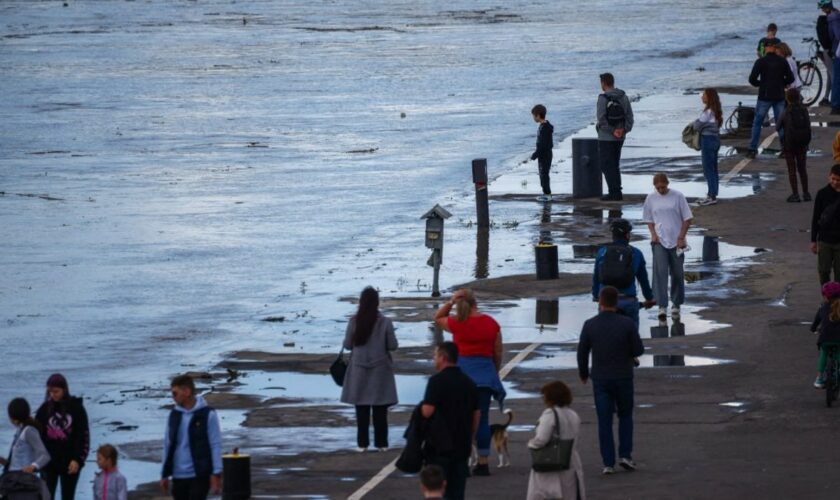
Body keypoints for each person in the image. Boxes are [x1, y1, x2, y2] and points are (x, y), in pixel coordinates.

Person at [434, 289, 504, 477]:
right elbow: (497, 352)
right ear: (476, 303)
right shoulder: (491, 323)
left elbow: (438, 317)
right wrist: (494, 371)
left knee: (459, 420)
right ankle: (483, 462)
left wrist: (450, 302)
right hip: (484, 377)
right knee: (483, 419)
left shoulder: (457, 322)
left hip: (461, 377)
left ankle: (462, 462)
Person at [577, 286, 644, 475]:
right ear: (616, 303)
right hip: (623, 376)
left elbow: (582, 352)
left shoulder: (590, 325)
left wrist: (583, 373)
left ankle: (608, 463)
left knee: (604, 421)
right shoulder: (627, 323)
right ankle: (625, 455)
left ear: (600, 302)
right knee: (625, 416)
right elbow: (638, 350)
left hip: (600, 378)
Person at [340, 286, 398, 452]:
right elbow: (393, 346)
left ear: (361, 302)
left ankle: (362, 444)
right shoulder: (385, 322)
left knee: (361, 409)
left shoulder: (354, 321)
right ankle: (382, 444)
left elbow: (347, 345)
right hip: (380, 370)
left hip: (358, 369)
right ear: (377, 303)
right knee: (380, 410)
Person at [421, 342, 480, 500]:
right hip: (461, 445)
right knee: (457, 490)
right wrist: (470, 434)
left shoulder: (436, 381)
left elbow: (428, 411)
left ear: (443, 357)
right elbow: (476, 414)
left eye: (435, 355)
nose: (434, 359)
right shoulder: (469, 382)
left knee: (438, 489)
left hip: (439, 446)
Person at [160, 374, 222, 500]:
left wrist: (216, 473)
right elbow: (167, 444)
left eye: (175, 393)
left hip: (199, 474)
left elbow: (215, 444)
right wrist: (164, 474)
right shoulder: (174, 415)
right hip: (178, 475)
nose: (173, 398)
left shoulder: (207, 414)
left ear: (187, 392)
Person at [642, 173, 693, 318]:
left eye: (663, 187)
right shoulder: (651, 198)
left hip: (677, 241)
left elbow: (687, 219)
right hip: (659, 240)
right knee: (660, 272)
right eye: (658, 188)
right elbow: (649, 219)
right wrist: (653, 234)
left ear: (667, 184)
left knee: (677, 273)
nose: (661, 190)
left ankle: (676, 304)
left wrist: (681, 237)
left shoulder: (678, 196)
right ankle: (661, 305)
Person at [526, 381, 586, 500]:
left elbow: (542, 439)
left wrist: (531, 444)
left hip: (550, 462)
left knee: (546, 493)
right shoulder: (573, 414)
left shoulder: (550, 414)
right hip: (570, 461)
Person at [35, 373, 90, 500]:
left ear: (64, 389)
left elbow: (83, 436)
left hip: (70, 462)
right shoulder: (44, 409)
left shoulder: (77, 408)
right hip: (48, 463)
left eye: (56, 391)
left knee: (68, 497)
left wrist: (78, 459)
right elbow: (36, 436)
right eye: (50, 392)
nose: (53, 395)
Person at [592, 218, 655, 327]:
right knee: (631, 338)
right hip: (628, 301)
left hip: (606, 303)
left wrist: (596, 295)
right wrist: (649, 298)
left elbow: (596, 278)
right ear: (627, 235)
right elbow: (643, 280)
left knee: (605, 337)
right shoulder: (636, 253)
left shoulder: (602, 252)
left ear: (613, 235)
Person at [746, 39, 794, 158]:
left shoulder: (760, 62)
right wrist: (782, 83)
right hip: (779, 95)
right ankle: (785, 149)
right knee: (780, 123)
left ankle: (752, 149)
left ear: (765, 48)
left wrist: (761, 84)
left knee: (757, 123)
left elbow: (752, 79)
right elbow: (791, 78)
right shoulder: (782, 61)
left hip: (765, 96)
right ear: (774, 48)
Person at [596, 72, 634, 201]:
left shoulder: (602, 98)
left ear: (603, 83)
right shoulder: (623, 96)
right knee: (615, 164)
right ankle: (617, 191)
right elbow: (630, 117)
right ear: (613, 82)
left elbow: (601, 120)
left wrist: (612, 131)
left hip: (606, 137)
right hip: (620, 137)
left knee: (606, 165)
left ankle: (614, 192)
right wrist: (624, 130)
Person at [776, 88, 812, 202]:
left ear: (787, 98)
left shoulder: (786, 111)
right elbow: (808, 125)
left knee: (792, 170)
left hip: (789, 145)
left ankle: (795, 194)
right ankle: (806, 194)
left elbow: (777, 127)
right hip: (802, 143)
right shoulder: (804, 110)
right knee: (802, 169)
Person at [693, 88, 723, 206]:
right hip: (715, 140)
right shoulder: (715, 111)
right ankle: (712, 193)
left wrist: (696, 121)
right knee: (713, 168)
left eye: (704, 95)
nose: (702, 97)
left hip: (708, 140)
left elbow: (696, 126)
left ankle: (712, 196)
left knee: (708, 169)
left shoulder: (707, 112)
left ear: (709, 97)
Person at [810, 164, 840, 284]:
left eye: (838, 180)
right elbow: (815, 218)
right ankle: (827, 299)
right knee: (823, 271)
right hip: (824, 240)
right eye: (833, 178)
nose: (835, 182)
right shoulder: (822, 194)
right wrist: (813, 240)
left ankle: (838, 301)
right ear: (829, 177)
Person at [529, 104, 554, 202]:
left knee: (544, 174)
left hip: (545, 154)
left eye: (533, 116)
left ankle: (547, 194)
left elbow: (542, 145)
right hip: (545, 154)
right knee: (543, 173)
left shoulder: (544, 128)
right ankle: (546, 193)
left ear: (538, 115)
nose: (533, 118)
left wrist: (535, 155)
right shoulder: (544, 126)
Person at [822, 1, 840, 113]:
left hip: (836, 50)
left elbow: (836, 35)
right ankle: (835, 103)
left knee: (836, 77)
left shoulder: (832, 17)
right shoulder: (835, 15)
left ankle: (835, 104)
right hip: (837, 50)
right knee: (837, 77)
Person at [817, 2, 835, 105]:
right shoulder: (834, 15)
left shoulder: (831, 17)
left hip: (830, 50)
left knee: (833, 75)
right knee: (830, 74)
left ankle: (834, 100)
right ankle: (826, 97)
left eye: (823, 8)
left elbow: (834, 34)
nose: (822, 10)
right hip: (831, 49)